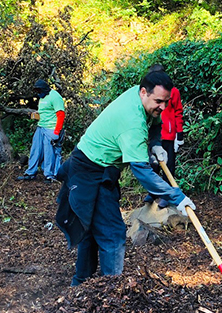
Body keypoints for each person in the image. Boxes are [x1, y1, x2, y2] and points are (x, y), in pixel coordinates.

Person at [56, 70, 196, 286]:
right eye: (158, 101)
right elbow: (141, 171)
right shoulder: (132, 122)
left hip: (102, 167)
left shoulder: (141, 100)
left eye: (166, 102)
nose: (163, 107)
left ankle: (80, 285)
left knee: (93, 228)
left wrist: (156, 143)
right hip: (88, 169)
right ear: (143, 92)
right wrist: (176, 196)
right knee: (112, 233)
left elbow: (155, 119)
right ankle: (111, 291)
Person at [144, 63, 184, 207]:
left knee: (169, 165)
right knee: (153, 165)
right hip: (155, 135)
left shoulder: (173, 92)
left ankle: (167, 195)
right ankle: (153, 192)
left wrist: (179, 134)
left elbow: (178, 112)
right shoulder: (149, 93)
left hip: (169, 134)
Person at [18, 79, 65, 181]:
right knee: (35, 150)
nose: (38, 94)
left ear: (44, 89)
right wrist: (35, 115)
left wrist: (57, 132)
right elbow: (45, 112)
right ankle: (30, 173)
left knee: (50, 152)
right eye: (37, 92)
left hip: (51, 128)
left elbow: (61, 114)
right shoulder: (42, 98)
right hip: (41, 127)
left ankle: (50, 175)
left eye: (39, 91)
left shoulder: (55, 96)